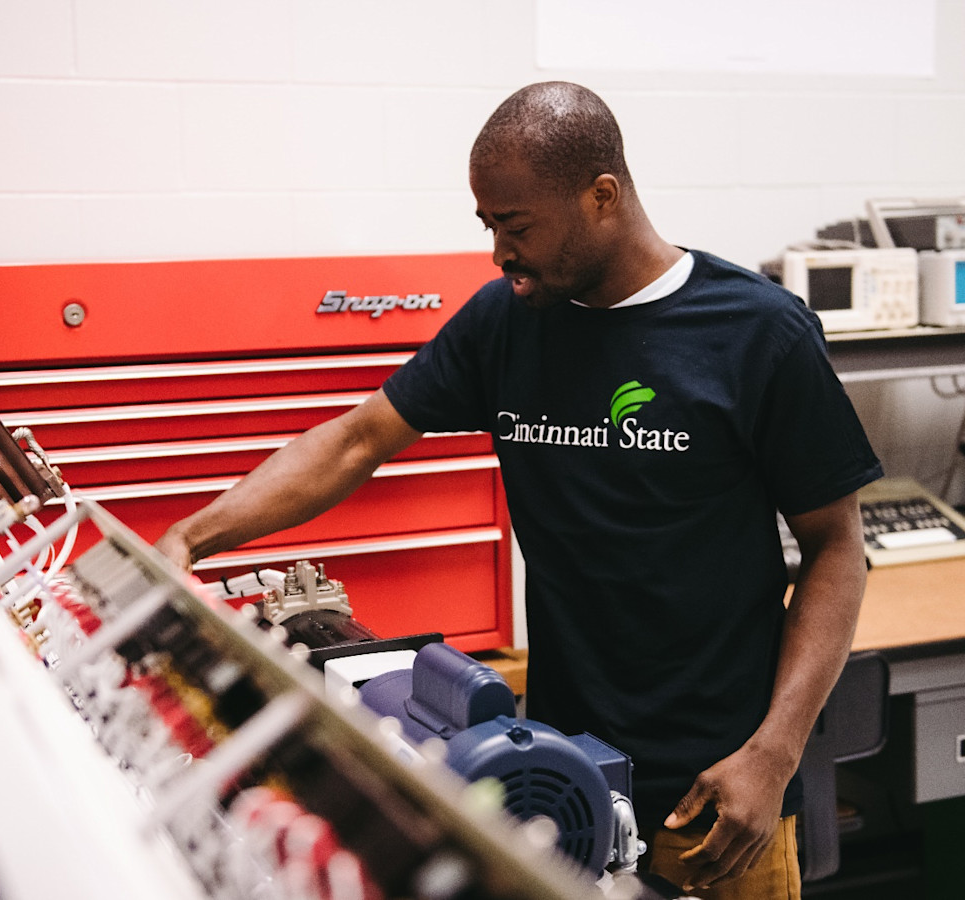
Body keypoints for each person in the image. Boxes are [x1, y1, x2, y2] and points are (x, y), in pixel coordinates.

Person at [157, 82, 881, 898]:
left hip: (716, 796)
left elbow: (837, 549)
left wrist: (775, 755)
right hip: (558, 787)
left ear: (601, 196)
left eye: (516, 225)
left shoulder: (757, 334)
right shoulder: (508, 323)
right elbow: (356, 442)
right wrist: (190, 539)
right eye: (488, 225)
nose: (498, 252)